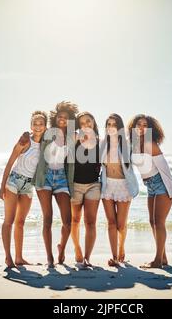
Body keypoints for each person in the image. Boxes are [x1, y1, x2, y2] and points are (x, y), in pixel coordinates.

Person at [22, 101, 79, 268]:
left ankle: (61, 248)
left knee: (67, 221)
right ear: (55, 118)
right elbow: (34, 134)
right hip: (44, 177)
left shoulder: (72, 136)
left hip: (62, 178)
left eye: (65, 117)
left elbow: (90, 139)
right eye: (60, 116)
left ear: (69, 120)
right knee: (47, 219)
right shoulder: (47, 133)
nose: (62, 119)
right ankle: (49, 257)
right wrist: (26, 135)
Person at [128, 114, 172, 268]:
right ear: (134, 127)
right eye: (139, 124)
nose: (141, 128)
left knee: (159, 222)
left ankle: (157, 260)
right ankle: (163, 258)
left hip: (162, 184)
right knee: (152, 222)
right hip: (150, 185)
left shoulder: (151, 144)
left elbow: (164, 169)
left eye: (145, 125)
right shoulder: (135, 144)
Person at [0, 111, 47, 268]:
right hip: (14, 181)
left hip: (28, 186)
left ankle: (19, 258)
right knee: (9, 221)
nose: (38, 126)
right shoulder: (24, 142)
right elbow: (10, 163)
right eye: (35, 123)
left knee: (20, 222)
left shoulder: (46, 145)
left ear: (45, 126)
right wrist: (2, 186)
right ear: (31, 126)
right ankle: (8, 257)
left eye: (41, 123)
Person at [101, 113, 139, 267]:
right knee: (111, 223)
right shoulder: (103, 144)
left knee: (121, 224)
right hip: (107, 185)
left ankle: (122, 246)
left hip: (124, 186)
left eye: (114, 124)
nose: (111, 127)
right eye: (108, 124)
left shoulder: (128, 144)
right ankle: (114, 256)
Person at [70, 112, 101, 267]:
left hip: (94, 185)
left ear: (94, 122)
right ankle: (77, 249)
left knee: (90, 222)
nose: (85, 125)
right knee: (74, 220)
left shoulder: (101, 142)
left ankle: (87, 257)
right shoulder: (74, 139)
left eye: (88, 121)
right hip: (75, 185)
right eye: (82, 123)